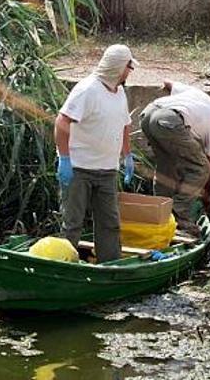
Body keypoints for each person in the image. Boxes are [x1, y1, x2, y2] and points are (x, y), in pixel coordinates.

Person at [54, 44, 138, 262]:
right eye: (129, 67)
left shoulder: (119, 93)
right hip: (79, 169)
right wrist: (64, 158)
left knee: (110, 223)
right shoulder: (87, 90)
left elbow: (124, 125)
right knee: (72, 223)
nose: (130, 72)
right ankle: (63, 266)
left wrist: (127, 155)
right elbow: (62, 121)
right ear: (119, 67)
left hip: (108, 171)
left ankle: (110, 266)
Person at [139, 81, 210, 233]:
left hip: (148, 114)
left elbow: (168, 84)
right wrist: (206, 194)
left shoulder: (198, 95)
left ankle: (161, 213)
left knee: (167, 165)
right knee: (202, 168)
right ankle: (180, 215)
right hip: (168, 121)